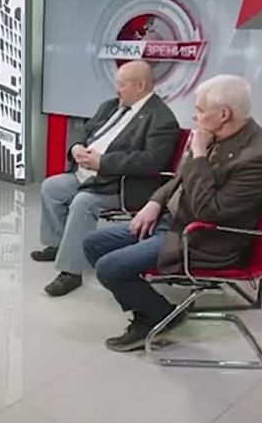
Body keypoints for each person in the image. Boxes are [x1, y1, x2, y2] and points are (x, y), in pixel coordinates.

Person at [83, 75, 262, 352]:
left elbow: (211, 212)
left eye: (200, 110)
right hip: (172, 220)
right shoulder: (218, 133)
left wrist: (199, 154)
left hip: (201, 238)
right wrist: (155, 202)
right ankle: (156, 312)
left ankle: (158, 317)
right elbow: (181, 177)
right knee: (93, 244)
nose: (194, 116)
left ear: (224, 115)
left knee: (109, 268)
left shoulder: (259, 158)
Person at [31, 60, 180, 297]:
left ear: (140, 86)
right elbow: (85, 133)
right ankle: (59, 245)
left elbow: (152, 161)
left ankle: (71, 271)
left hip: (120, 184)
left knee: (83, 202)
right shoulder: (110, 106)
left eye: (121, 84)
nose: (116, 90)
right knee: (52, 187)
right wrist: (76, 148)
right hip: (88, 174)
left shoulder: (162, 119)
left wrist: (103, 162)